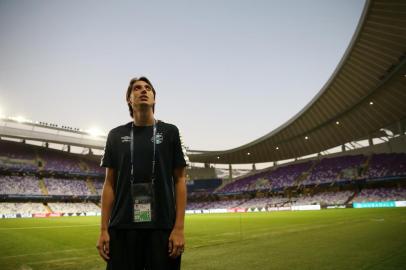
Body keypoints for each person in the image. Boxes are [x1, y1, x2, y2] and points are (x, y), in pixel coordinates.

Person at [96, 76, 188, 270]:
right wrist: (104, 229)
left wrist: (179, 228)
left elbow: (180, 180)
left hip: (162, 227)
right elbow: (109, 184)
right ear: (129, 99)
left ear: (154, 98)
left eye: (148, 88)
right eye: (137, 88)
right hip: (122, 228)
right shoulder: (115, 135)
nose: (143, 91)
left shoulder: (171, 132)